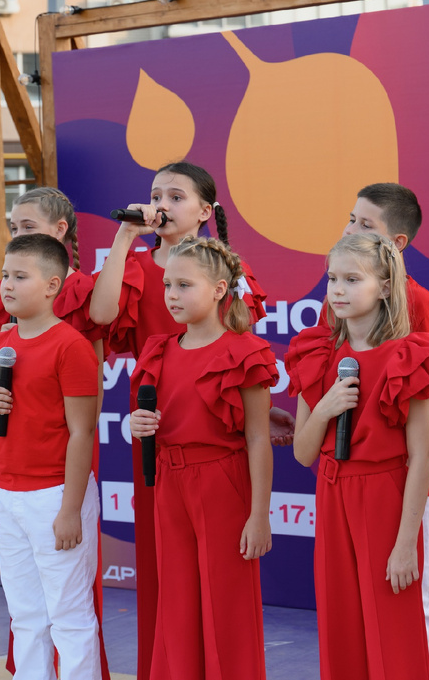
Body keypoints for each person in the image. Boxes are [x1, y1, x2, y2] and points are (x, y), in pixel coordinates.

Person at [89, 161, 267, 676]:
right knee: (166, 572)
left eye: (175, 196)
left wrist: (248, 409)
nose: (161, 205)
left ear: (205, 211)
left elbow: (240, 352)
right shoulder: (138, 267)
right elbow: (101, 316)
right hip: (157, 440)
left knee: (220, 579)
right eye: (155, 195)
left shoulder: (228, 272)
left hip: (213, 441)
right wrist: (126, 235)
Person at [288, 233, 429, 680]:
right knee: (342, 624)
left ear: (384, 287)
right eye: (332, 279)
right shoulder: (317, 353)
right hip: (332, 493)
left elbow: (420, 457)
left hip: (386, 497)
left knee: (394, 629)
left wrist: (405, 544)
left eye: (352, 279)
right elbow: (303, 453)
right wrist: (325, 408)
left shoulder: (409, 356)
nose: (337, 290)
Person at [0, 187, 112, 679]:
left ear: (53, 285)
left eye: (21, 277)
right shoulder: (0, 345)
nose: (8, 286)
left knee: (69, 616)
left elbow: (82, 432)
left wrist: (70, 509)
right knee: (25, 616)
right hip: (8, 494)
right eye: (4, 276)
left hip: (55, 494)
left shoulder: (70, 346)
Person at [129, 236, 277, 679]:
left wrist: (259, 515)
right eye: (167, 285)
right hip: (168, 484)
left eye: (184, 285)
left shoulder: (244, 352)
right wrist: (138, 425)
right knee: (176, 601)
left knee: (226, 604)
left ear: (218, 290)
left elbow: (258, 439)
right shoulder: (157, 349)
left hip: (222, 484)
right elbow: (154, 419)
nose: (171, 295)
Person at [337, 182, 429, 672]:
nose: (351, 229)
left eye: (365, 224)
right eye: (351, 219)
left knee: (410, 607)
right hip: (352, 482)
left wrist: (415, 459)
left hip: (404, 482)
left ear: (397, 243)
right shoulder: (341, 300)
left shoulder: (417, 303)